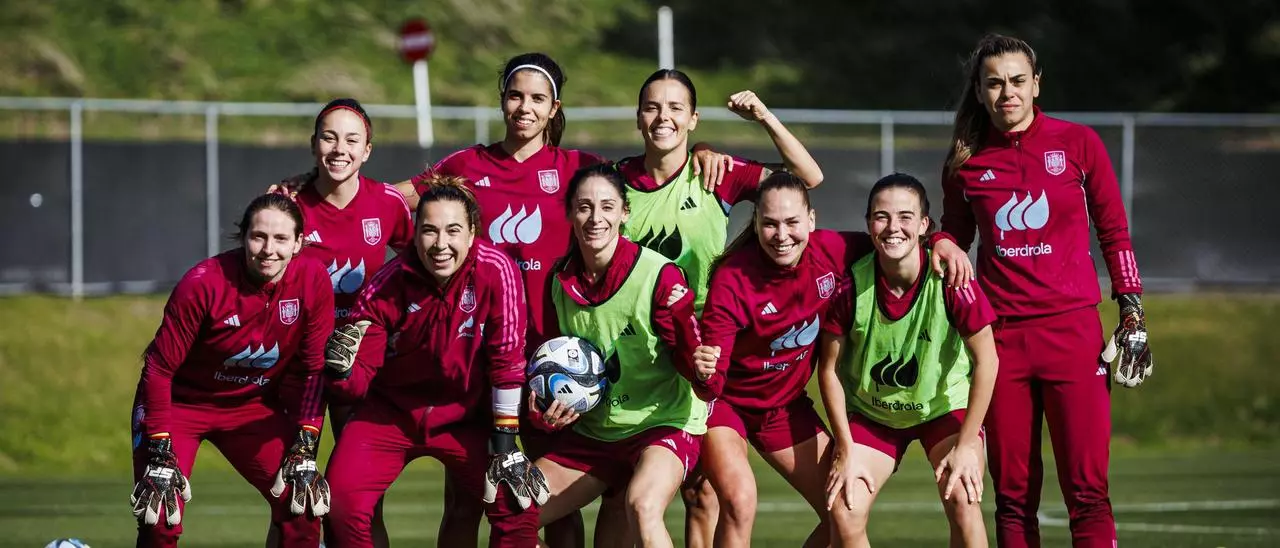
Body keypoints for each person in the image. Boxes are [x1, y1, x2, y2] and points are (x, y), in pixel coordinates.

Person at [388, 54, 729, 548]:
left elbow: (647, 172)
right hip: (480, 359)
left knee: (562, 515)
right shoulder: (465, 167)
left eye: (537, 99)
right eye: (515, 96)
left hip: (556, 366)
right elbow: (386, 202)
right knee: (469, 502)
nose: (524, 107)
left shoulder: (581, 169)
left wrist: (702, 153)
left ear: (554, 108)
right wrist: (311, 196)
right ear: (502, 101)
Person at [927, 34, 1152, 548]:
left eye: (1017, 80)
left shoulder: (1079, 143)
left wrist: (1132, 310)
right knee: (1013, 497)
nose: (1007, 92)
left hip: (1074, 335)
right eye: (994, 83)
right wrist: (938, 240)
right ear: (979, 91)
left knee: (1087, 492)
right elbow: (954, 234)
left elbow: (1114, 232)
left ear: (1036, 84)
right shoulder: (965, 160)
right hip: (1000, 343)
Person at [617, 70, 825, 546]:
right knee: (629, 497)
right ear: (638, 116)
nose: (663, 117)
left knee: (703, 495)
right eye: (652, 107)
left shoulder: (715, 173)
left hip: (701, 351)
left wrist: (764, 117)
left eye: (675, 108)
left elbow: (807, 178)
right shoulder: (614, 182)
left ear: (693, 118)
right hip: (637, 353)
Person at [321, 176, 544, 547]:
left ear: (472, 234)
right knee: (341, 504)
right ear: (415, 236)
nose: (441, 244)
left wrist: (505, 441)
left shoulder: (496, 269)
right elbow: (358, 381)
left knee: (517, 506)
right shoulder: (386, 284)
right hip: (390, 415)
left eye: (453, 231)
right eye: (429, 231)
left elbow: (506, 360)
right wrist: (341, 372)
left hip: (467, 418)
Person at [129, 193, 334, 547]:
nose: (269, 249)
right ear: (243, 237)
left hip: (251, 407)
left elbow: (315, 370)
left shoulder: (313, 279)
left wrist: (306, 441)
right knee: (159, 514)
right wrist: (160, 448)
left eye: (281, 238)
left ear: (299, 243)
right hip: (180, 405)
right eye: (259, 237)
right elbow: (159, 369)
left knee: (302, 504)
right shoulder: (203, 283)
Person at [531, 164, 711, 548]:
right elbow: (546, 363)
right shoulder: (559, 281)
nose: (596, 218)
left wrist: (695, 355)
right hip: (595, 433)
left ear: (624, 213)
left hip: (661, 425)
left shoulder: (659, 275)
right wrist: (545, 409)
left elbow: (698, 374)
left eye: (607, 207)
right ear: (570, 213)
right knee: (510, 510)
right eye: (584, 207)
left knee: (642, 506)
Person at [692, 172, 876, 546]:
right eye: (770, 224)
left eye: (792, 222)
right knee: (740, 501)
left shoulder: (832, 251)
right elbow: (712, 380)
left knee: (845, 508)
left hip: (784, 409)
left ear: (811, 219)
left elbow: (892, 244)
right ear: (756, 222)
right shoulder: (733, 278)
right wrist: (705, 368)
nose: (782, 235)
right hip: (725, 406)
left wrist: (941, 244)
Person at [816, 173, 998, 547]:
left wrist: (967, 446)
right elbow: (829, 370)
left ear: (924, 225)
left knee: (963, 497)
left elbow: (988, 360)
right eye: (881, 217)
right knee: (845, 508)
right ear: (869, 224)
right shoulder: (850, 287)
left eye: (905, 217)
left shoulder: (952, 279)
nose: (893, 227)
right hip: (875, 415)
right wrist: (845, 447)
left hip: (943, 409)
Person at [272, 97, 414, 547]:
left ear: (367, 150)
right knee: (289, 502)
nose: (340, 149)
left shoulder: (387, 203)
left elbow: (419, 270)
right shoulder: (288, 203)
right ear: (314, 144)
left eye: (352, 140)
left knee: (361, 505)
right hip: (298, 367)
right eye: (329, 138)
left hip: (361, 368)